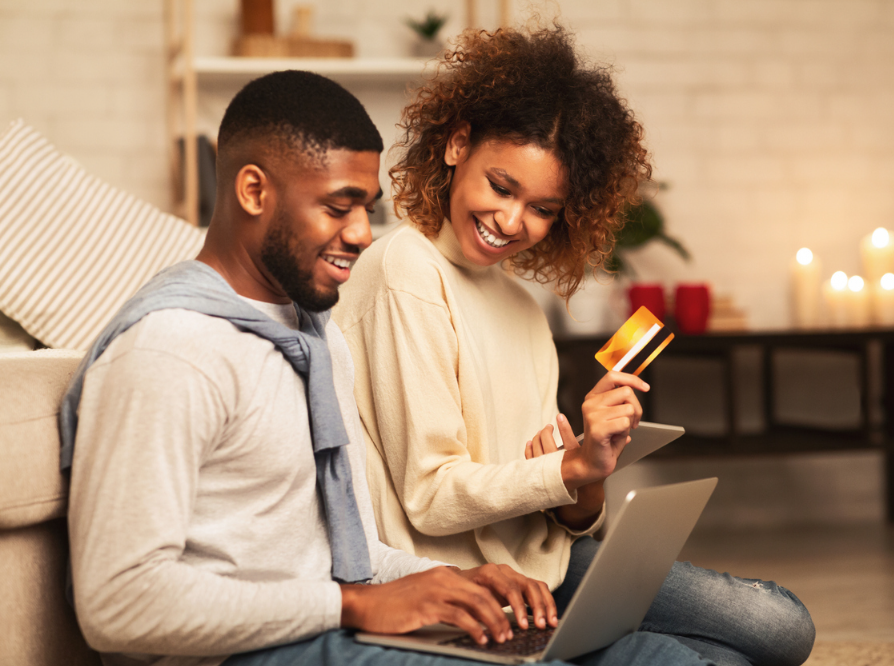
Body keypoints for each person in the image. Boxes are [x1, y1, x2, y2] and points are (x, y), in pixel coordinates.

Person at [61, 70, 716, 666]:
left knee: (666, 660)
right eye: (338, 206)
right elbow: (118, 608)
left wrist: (448, 586)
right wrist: (351, 606)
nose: (362, 234)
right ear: (254, 190)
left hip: (330, 623)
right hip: (256, 650)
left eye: (365, 208)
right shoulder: (171, 352)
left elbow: (346, 549)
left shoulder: (315, 341)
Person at [334, 26, 816, 666]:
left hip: (551, 565)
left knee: (782, 628)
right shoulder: (406, 270)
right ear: (456, 145)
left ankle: (591, 644)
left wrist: (586, 483)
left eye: (542, 208)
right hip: (458, 576)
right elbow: (430, 496)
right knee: (728, 648)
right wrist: (566, 471)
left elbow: (550, 507)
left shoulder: (523, 309)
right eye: (501, 187)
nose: (512, 222)